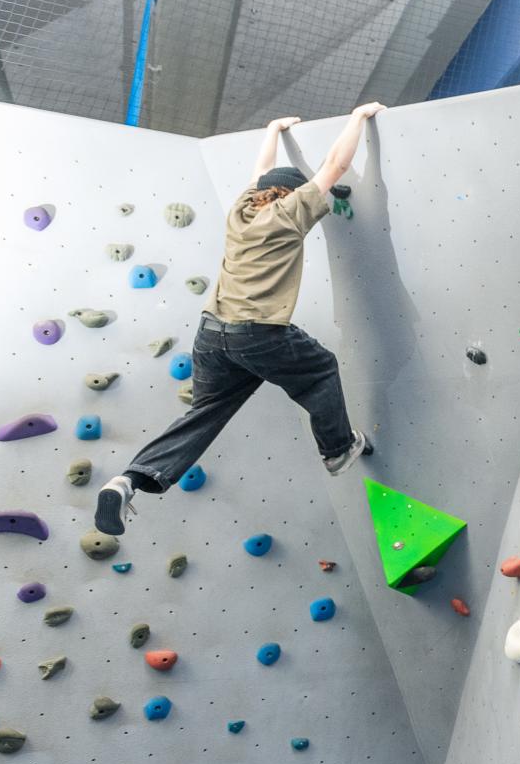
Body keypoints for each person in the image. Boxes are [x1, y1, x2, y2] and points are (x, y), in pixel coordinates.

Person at [93, 103, 385, 537]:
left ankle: (129, 479)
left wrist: (272, 129)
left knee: (206, 411)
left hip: (212, 334)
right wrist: (359, 117)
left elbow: (259, 171)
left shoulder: (240, 211)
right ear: (293, 195)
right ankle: (338, 448)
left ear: (261, 193)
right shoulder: (290, 214)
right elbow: (336, 166)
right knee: (321, 368)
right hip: (258, 332)